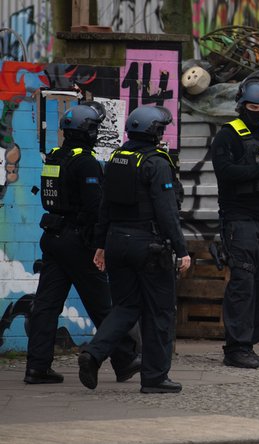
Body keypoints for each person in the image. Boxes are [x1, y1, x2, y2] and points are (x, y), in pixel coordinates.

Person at [25, 102, 141, 385]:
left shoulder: (54, 157)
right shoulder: (85, 162)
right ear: (88, 131)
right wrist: (99, 243)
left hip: (53, 237)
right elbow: (94, 207)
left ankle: (37, 367)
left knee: (46, 306)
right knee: (102, 304)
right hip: (78, 240)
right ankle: (125, 359)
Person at [78, 105, 190, 394]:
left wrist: (100, 244)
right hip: (148, 247)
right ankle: (154, 377)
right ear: (154, 133)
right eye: (161, 130)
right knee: (160, 311)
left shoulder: (116, 159)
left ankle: (94, 353)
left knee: (126, 306)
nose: (163, 135)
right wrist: (182, 249)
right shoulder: (157, 163)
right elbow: (167, 212)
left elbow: (105, 207)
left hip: (117, 242)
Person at [211, 71, 259, 368]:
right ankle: (236, 347)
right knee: (242, 282)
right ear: (241, 106)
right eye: (252, 109)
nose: (258, 114)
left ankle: (250, 341)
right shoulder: (227, 135)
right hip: (240, 219)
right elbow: (225, 173)